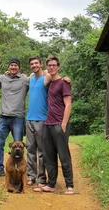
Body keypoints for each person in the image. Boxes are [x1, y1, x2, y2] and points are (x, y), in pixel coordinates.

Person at [0, 57, 29, 179]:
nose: (13, 67)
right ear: (8, 67)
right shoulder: (3, 78)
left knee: (19, 147)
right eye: (11, 65)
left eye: (15, 66)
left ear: (19, 68)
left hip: (18, 118)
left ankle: (18, 170)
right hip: (3, 117)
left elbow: (38, 76)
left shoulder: (24, 80)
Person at [41, 56, 74, 195]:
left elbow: (68, 104)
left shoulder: (64, 83)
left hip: (59, 124)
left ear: (59, 67)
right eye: (49, 65)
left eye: (54, 65)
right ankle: (51, 184)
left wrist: (64, 123)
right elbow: (38, 72)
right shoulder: (50, 83)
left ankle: (69, 185)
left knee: (63, 154)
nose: (51, 67)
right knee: (49, 156)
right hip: (48, 123)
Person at [25, 56, 51, 188]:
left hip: (42, 119)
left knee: (42, 151)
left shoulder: (46, 78)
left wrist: (66, 78)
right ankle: (31, 176)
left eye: (36, 63)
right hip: (29, 118)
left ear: (41, 64)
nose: (34, 65)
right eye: (32, 64)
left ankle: (42, 178)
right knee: (30, 149)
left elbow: (56, 78)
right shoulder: (31, 79)